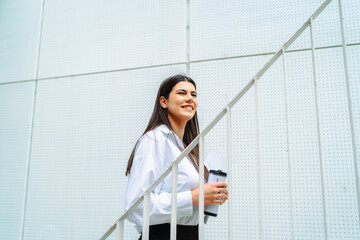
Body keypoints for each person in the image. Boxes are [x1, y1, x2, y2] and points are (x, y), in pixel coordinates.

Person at [124, 74, 228, 240]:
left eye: (194, 95)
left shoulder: (188, 149)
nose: (189, 98)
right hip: (164, 235)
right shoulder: (154, 140)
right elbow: (136, 207)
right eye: (182, 93)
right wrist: (193, 197)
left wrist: (211, 196)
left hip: (191, 234)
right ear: (163, 102)